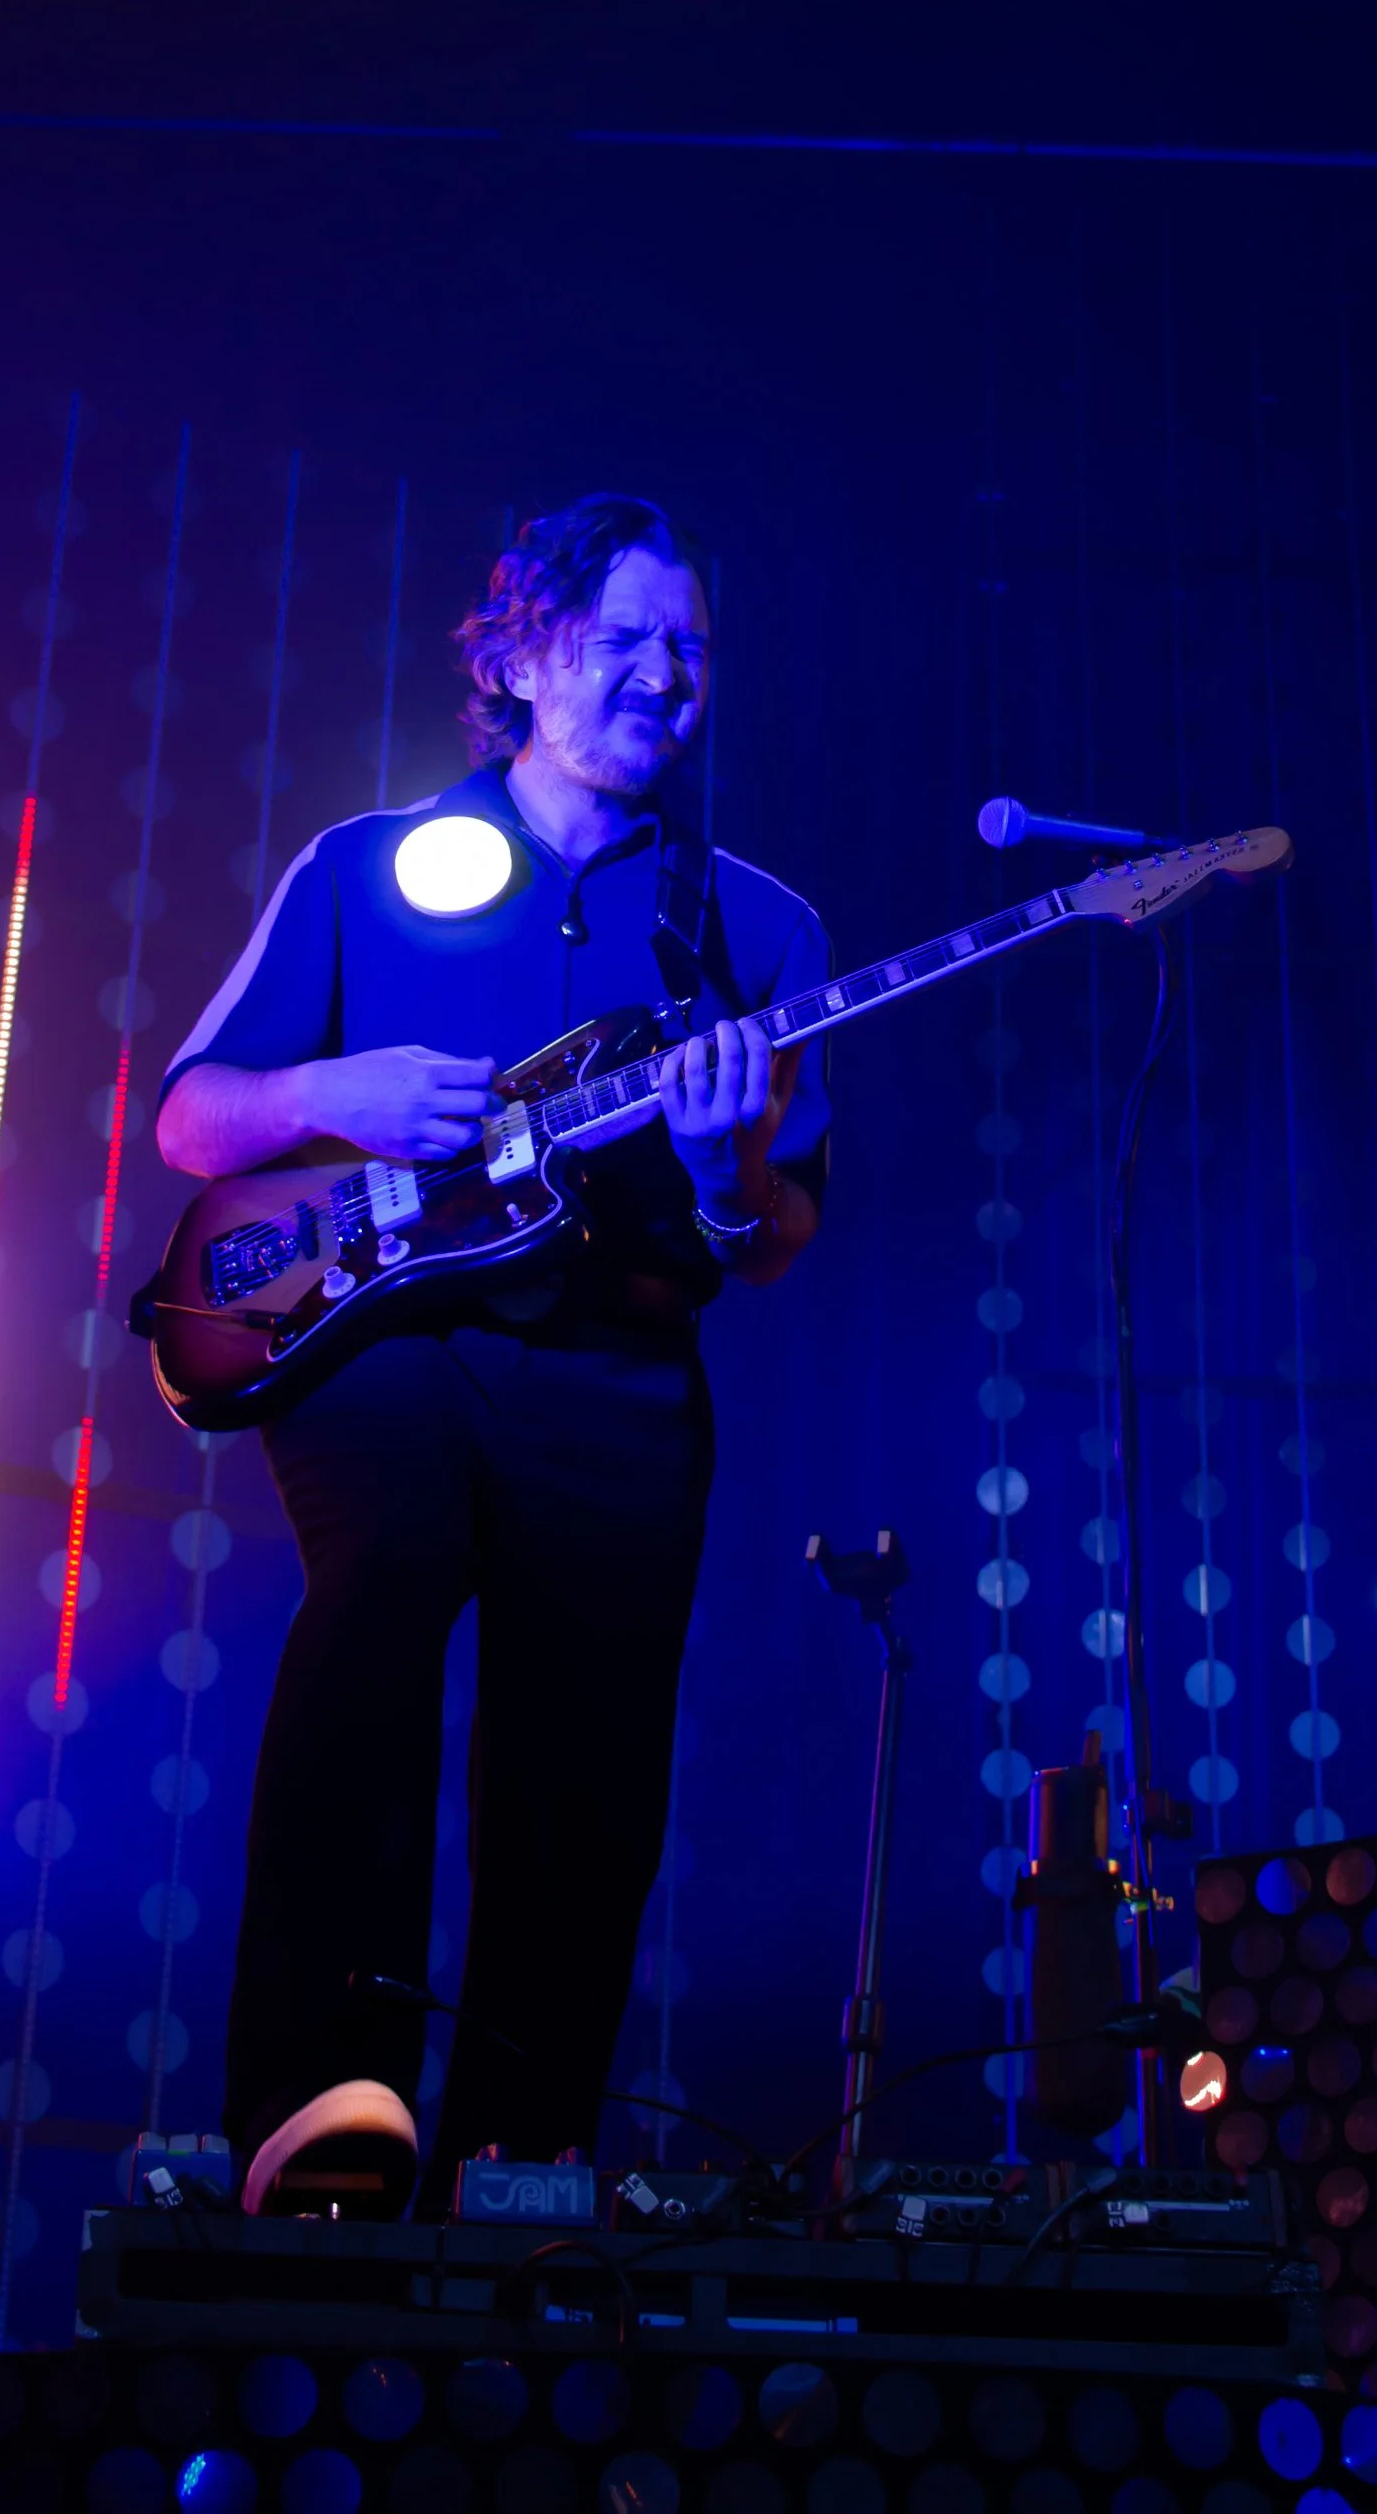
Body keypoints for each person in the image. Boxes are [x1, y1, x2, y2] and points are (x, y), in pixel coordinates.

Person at [154, 492, 829, 2217]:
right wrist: (333, 1093)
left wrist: (717, 1167)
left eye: (691, 646)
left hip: (621, 1368)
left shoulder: (755, 927)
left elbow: (776, 1236)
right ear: (524, 655)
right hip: (398, 1339)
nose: (666, 676)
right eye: (623, 641)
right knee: (378, 1590)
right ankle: (325, 2097)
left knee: (591, 1758)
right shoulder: (368, 865)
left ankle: (518, 2155)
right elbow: (188, 1115)